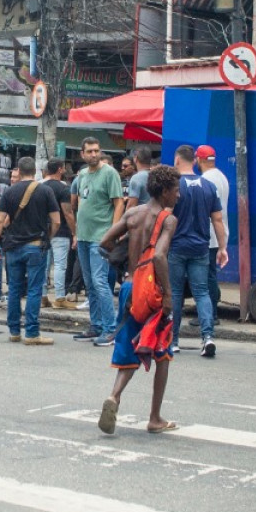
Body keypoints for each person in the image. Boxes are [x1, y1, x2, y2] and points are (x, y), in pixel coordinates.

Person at [98, 165, 182, 435]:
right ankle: (155, 418)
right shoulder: (167, 219)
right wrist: (168, 294)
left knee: (127, 348)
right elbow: (159, 256)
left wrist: (125, 256)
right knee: (163, 354)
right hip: (152, 292)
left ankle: (114, 396)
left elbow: (105, 241)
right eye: (176, 190)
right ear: (165, 191)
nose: (178, 196)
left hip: (129, 287)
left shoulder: (133, 213)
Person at [165, 144, 227, 359]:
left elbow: (166, 216)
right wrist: (222, 247)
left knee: (175, 292)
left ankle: (172, 341)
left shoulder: (174, 185)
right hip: (200, 246)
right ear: (194, 161)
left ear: (176, 160)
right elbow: (217, 220)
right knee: (201, 293)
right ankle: (207, 337)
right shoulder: (209, 186)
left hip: (176, 246)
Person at [0, 155, 61, 346]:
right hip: (36, 246)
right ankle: (32, 332)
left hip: (13, 247)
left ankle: (14, 331)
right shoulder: (45, 191)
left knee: (14, 288)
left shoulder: (9, 192)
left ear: (19, 172)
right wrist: (48, 236)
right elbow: (56, 221)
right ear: (36, 172)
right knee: (34, 289)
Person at [70, 136, 124, 346]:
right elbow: (79, 204)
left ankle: (110, 330)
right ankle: (96, 325)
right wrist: (75, 233)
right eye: (89, 151)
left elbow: (118, 204)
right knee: (90, 283)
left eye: (96, 150)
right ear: (82, 154)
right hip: (83, 236)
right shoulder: (82, 175)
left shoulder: (110, 173)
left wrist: (113, 232)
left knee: (100, 282)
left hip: (100, 237)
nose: (94, 154)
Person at [195, 144, 231, 326]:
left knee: (206, 275)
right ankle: (212, 312)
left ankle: (210, 314)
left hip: (208, 233)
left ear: (199, 159)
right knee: (211, 275)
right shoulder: (222, 177)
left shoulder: (206, 179)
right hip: (220, 232)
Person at [41, 159, 76, 308]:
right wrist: (75, 232)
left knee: (44, 266)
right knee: (60, 265)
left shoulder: (39, 186)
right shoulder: (63, 189)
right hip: (60, 231)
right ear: (60, 170)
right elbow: (67, 213)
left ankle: (42, 296)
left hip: (42, 231)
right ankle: (60, 298)